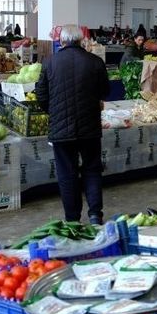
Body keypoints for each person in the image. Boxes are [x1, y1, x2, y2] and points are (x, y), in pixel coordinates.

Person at [35, 25, 110, 224]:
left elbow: (41, 95)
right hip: (90, 128)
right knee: (92, 170)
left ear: (61, 41)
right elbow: (105, 91)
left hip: (61, 130)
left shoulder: (50, 62)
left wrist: (54, 111)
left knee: (67, 174)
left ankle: (72, 220)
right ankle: (95, 215)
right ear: (81, 40)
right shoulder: (95, 62)